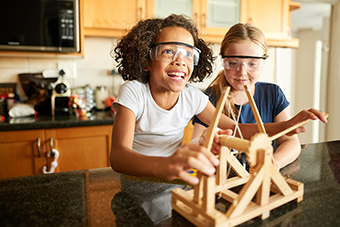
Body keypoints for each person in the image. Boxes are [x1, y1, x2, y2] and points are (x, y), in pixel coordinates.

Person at [110, 14, 327, 225]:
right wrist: (169, 163)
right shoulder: (134, 92)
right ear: (145, 60)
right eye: (168, 51)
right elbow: (119, 157)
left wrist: (287, 125)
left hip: (175, 181)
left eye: (188, 54)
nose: (180, 61)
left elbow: (237, 129)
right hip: (137, 185)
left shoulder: (193, 97)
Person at [191, 22, 308, 170]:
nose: (242, 72)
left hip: (261, 178)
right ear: (223, 60)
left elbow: (291, 142)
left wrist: (274, 163)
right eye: (233, 63)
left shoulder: (272, 94)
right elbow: (195, 142)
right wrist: (204, 139)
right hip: (221, 180)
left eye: (252, 64)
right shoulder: (209, 98)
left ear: (264, 60)